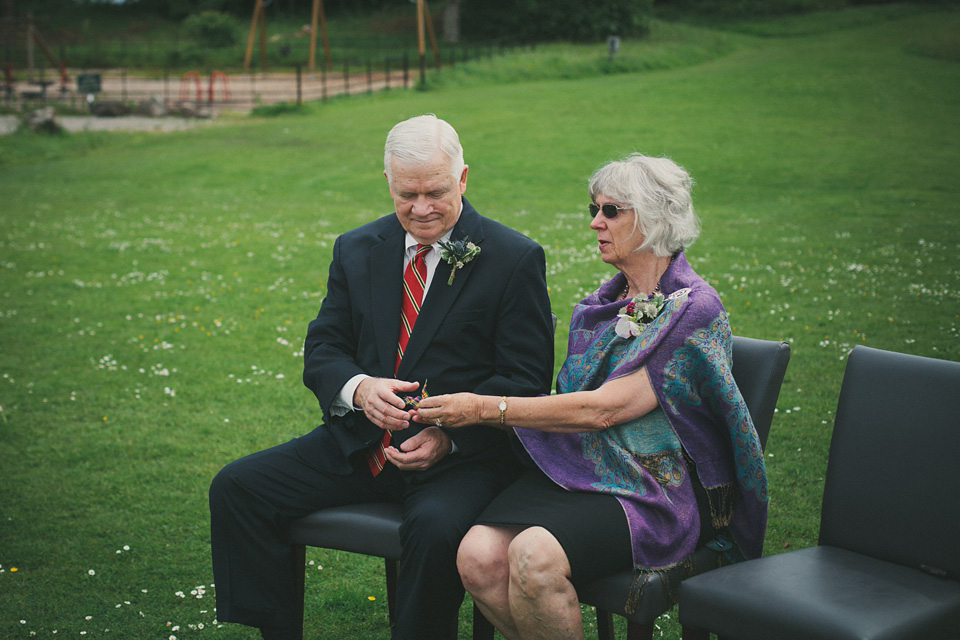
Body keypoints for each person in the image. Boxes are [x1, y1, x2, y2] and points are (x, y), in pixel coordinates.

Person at [208, 114, 555, 640]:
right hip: (358, 444)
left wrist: (450, 438)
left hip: (463, 461)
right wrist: (359, 389)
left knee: (436, 528)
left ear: (462, 179)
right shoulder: (357, 248)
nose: (420, 208)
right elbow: (325, 345)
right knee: (238, 487)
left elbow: (526, 380)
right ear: (388, 182)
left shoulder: (513, 258)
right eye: (406, 193)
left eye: (435, 192)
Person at [413, 153, 769, 640]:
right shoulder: (602, 306)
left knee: (532, 557)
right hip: (582, 471)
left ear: (655, 216)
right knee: (476, 555)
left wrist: (480, 408)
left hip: (653, 488)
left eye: (611, 211)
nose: (595, 222)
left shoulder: (694, 309)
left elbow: (603, 409)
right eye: (593, 209)